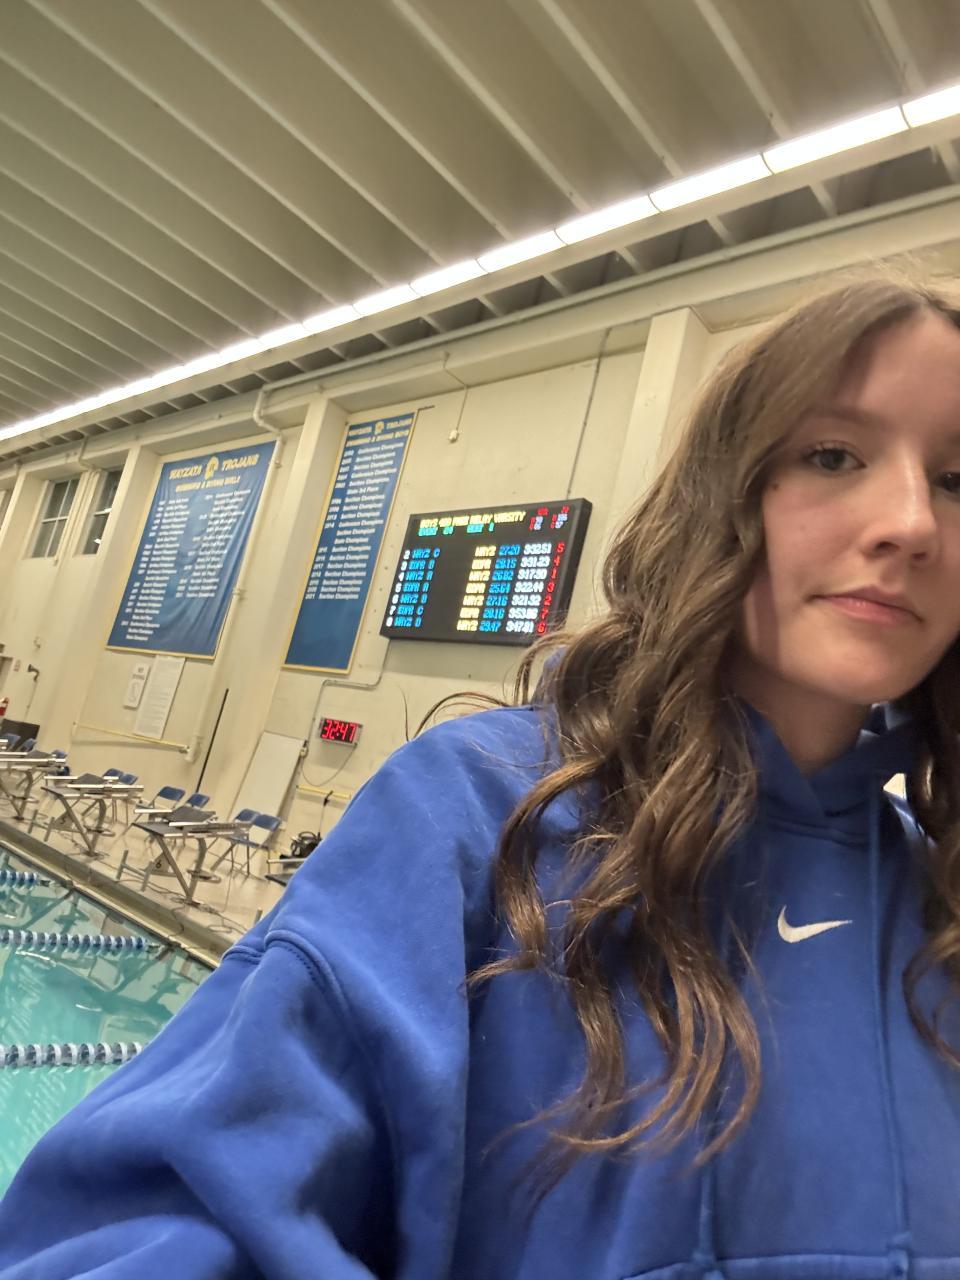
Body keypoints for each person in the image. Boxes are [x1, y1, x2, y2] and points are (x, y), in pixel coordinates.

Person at [1, 272, 959, 1280]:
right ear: (721, 497)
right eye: (832, 455)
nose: (911, 522)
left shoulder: (935, 899)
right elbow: (165, 1215)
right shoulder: (476, 815)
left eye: (956, 477)